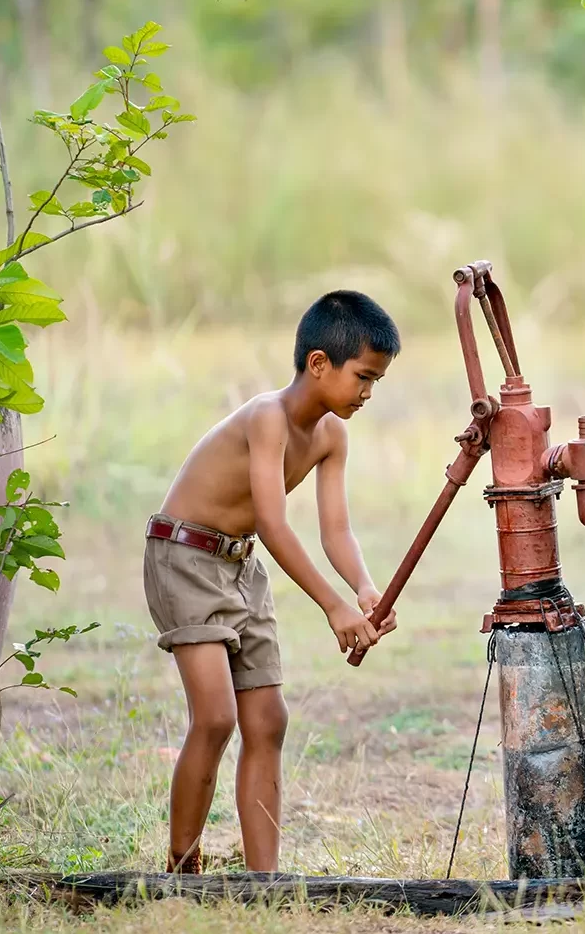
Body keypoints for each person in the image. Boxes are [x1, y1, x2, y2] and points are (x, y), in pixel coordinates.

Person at [144, 290, 402, 873]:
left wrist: (364, 590)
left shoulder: (333, 436)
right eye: (362, 377)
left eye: (376, 382)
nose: (367, 392)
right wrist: (334, 608)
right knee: (215, 716)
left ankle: (266, 882)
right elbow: (272, 519)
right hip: (183, 555)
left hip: (240, 567)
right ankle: (182, 872)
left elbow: (336, 532)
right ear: (318, 363)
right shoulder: (267, 417)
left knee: (268, 720)